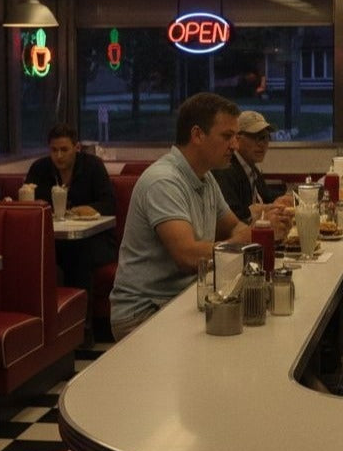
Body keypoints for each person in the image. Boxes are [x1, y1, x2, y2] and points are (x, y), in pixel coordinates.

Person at [109, 92, 290, 342]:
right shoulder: (163, 181)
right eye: (227, 136)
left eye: (236, 137)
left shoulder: (206, 178)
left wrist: (257, 229)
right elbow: (187, 255)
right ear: (197, 135)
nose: (235, 146)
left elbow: (234, 228)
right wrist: (255, 234)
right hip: (144, 311)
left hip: (182, 299)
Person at [25, 124, 117, 292]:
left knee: (78, 254)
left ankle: (80, 315)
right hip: (55, 240)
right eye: (53, 150)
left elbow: (110, 204)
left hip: (95, 240)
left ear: (77, 148)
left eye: (64, 150)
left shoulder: (93, 166)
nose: (58, 156)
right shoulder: (39, 169)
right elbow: (29, 204)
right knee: (33, 254)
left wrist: (91, 209)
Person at [210, 110, 286, 225]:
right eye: (255, 137)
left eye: (265, 137)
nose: (262, 144)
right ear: (237, 138)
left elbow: (267, 197)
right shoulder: (225, 170)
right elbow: (235, 216)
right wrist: (261, 210)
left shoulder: (251, 167)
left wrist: (284, 200)